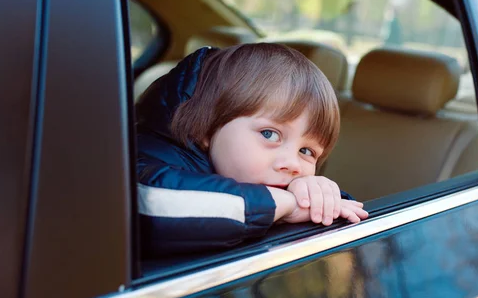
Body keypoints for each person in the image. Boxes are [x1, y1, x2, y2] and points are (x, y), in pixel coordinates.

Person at [136, 43, 368, 257]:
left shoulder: (260, 173)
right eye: (269, 134)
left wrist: (318, 196)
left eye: (306, 151)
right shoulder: (145, 160)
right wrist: (285, 205)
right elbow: (152, 203)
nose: (293, 164)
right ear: (206, 129)